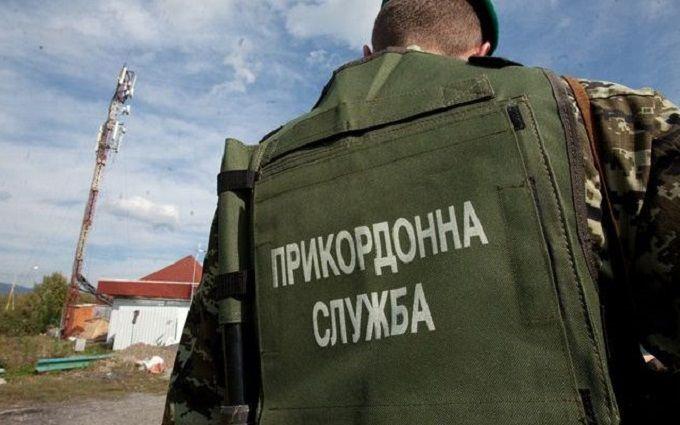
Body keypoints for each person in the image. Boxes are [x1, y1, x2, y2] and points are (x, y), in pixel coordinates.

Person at [164, 1, 680, 424]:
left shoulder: (255, 177)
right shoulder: (605, 117)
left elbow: (198, 399)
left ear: (368, 53)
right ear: (480, 54)